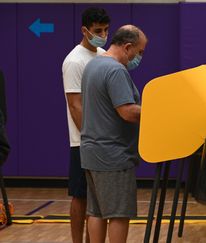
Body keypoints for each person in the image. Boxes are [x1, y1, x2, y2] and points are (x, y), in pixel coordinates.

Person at [80, 25, 147, 243]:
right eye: (140, 51)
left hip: (91, 152)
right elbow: (127, 111)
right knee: (119, 213)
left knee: (96, 211)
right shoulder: (116, 70)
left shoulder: (93, 65)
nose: (140, 57)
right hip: (113, 155)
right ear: (127, 47)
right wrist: (158, 112)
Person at [62, 7, 110, 243]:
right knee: (80, 196)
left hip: (103, 140)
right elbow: (75, 105)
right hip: (83, 141)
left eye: (106, 30)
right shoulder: (74, 61)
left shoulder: (102, 55)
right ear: (85, 30)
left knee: (97, 199)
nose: (103, 34)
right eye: (98, 30)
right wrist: (89, 139)